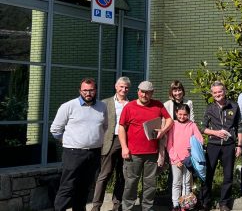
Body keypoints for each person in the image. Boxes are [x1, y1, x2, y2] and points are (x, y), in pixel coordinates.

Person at [50, 78, 107, 211]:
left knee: (85, 187)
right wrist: (67, 142)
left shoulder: (102, 107)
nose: (88, 93)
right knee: (68, 187)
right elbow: (55, 130)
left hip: (94, 153)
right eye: (85, 90)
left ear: (96, 90)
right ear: (80, 91)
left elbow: (105, 127)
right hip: (73, 153)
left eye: (91, 90)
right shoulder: (68, 106)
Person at [119, 81, 174, 211]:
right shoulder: (129, 107)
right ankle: (128, 208)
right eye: (142, 91)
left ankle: (147, 208)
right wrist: (124, 147)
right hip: (133, 153)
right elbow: (121, 127)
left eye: (147, 92)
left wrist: (163, 130)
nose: (144, 94)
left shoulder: (158, 105)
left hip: (152, 153)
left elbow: (169, 120)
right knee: (131, 183)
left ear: (152, 93)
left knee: (150, 184)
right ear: (138, 91)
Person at [200, 81, 242, 211]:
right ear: (212, 94)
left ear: (224, 91)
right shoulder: (210, 108)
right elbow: (203, 128)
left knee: (228, 175)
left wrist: (239, 145)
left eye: (220, 91)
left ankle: (224, 203)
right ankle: (205, 202)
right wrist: (215, 133)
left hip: (229, 145)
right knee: (208, 174)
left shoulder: (234, 106)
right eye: (215, 92)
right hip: (213, 145)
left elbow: (239, 126)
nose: (218, 94)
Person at [91, 76, 129, 211]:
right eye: (121, 86)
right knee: (104, 174)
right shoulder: (105, 103)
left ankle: (117, 205)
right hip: (110, 141)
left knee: (122, 175)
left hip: (126, 142)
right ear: (116, 87)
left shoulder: (131, 104)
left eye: (126, 87)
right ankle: (96, 206)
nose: (124, 89)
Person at [166, 104, 203, 211]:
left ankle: (185, 204)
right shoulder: (173, 125)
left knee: (187, 183)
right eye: (180, 114)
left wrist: (191, 153)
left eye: (185, 115)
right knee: (176, 182)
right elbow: (169, 144)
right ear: (176, 113)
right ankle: (175, 204)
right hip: (175, 160)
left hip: (188, 160)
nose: (182, 117)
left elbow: (200, 140)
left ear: (188, 114)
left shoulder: (192, 125)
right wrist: (175, 159)